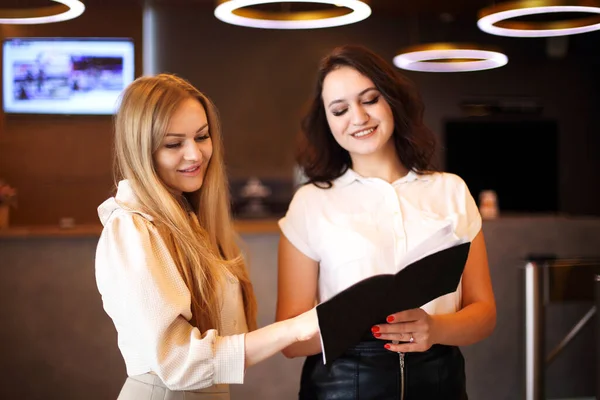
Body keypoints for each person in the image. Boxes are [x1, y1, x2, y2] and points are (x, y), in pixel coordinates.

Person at [276, 45, 496, 399]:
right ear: (328, 122)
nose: (358, 117)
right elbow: (289, 341)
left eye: (370, 99)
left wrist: (435, 328)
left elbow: (484, 312)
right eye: (340, 109)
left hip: (440, 381)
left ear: (391, 100)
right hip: (343, 385)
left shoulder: (451, 190)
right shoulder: (310, 202)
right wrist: (355, 318)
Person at [94, 73, 319, 400]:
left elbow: (224, 345)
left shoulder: (187, 220)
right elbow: (178, 364)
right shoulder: (132, 228)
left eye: (201, 137)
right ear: (141, 149)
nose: (195, 155)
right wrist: (295, 327)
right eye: (174, 144)